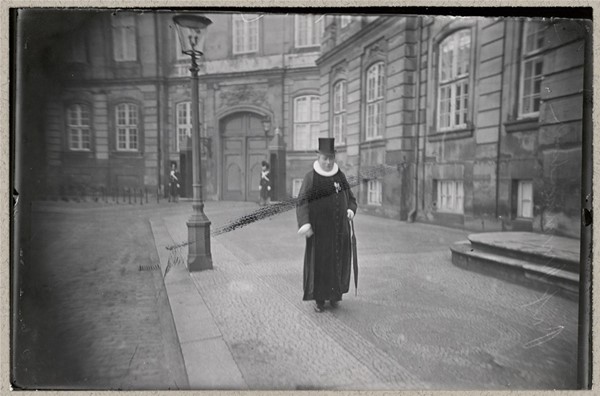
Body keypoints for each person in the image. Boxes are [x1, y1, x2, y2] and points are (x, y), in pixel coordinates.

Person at [296, 137, 357, 312]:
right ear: (318, 157)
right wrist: (305, 223)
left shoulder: (340, 176)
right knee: (320, 265)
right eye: (325, 158)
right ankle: (320, 300)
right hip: (319, 233)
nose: (329, 162)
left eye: (331, 158)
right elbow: (301, 202)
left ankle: (335, 295)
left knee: (338, 263)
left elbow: (351, 199)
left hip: (339, 231)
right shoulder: (311, 178)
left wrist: (351, 210)